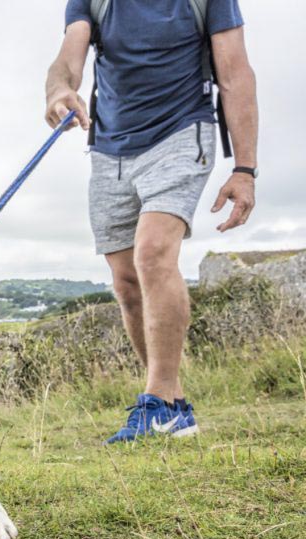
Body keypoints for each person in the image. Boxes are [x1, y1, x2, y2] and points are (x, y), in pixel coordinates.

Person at [44, 0, 258, 442]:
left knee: (153, 253)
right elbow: (68, 58)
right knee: (125, 281)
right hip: (109, 147)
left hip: (182, 132)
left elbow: (235, 74)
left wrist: (244, 169)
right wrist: (58, 91)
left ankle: (158, 402)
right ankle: (174, 405)